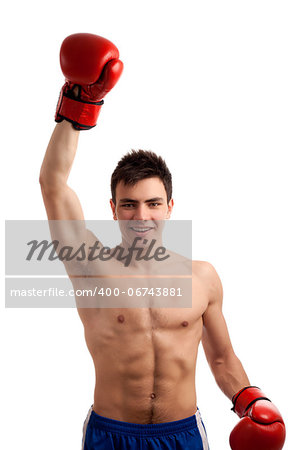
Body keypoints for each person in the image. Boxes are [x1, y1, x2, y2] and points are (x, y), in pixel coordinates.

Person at [39, 33, 286, 450]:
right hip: (110, 435)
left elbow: (223, 360)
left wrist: (250, 399)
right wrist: (80, 104)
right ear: (113, 209)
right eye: (130, 205)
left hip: (183, 435)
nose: (142, 217)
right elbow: (53, 182)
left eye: (153, 203)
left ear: (170, 206)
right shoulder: (89, 265)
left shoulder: (202, 278)